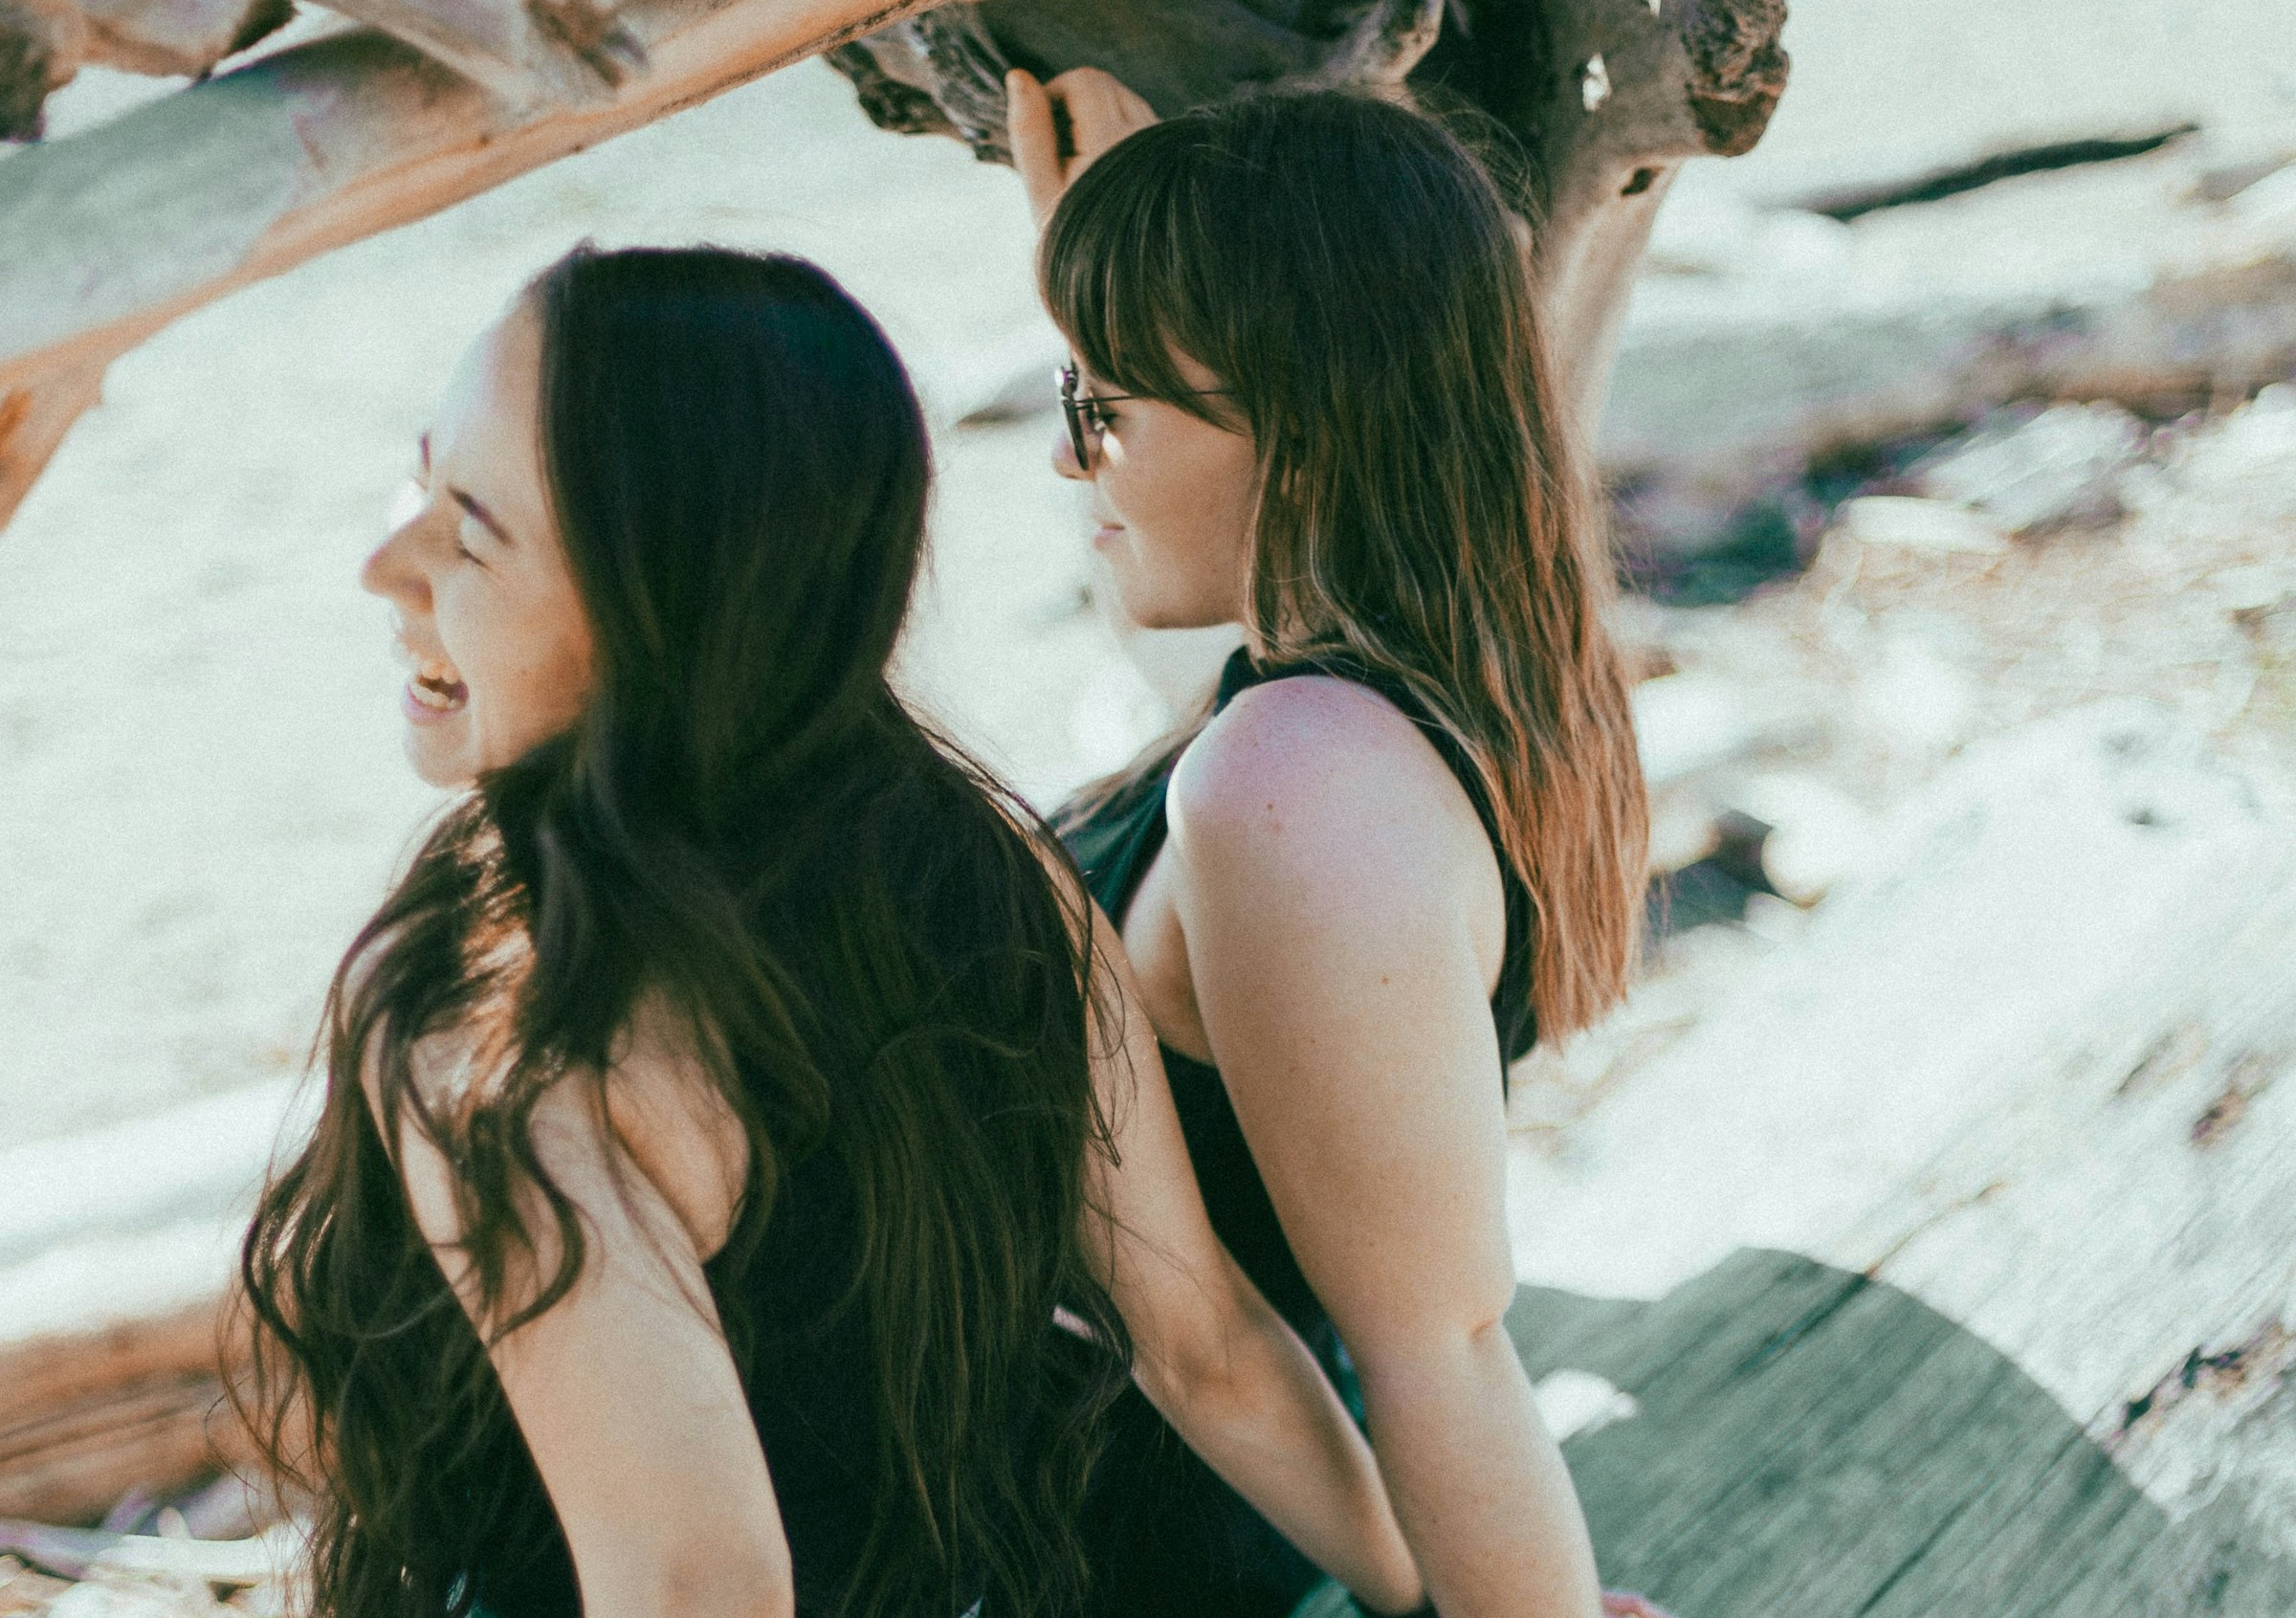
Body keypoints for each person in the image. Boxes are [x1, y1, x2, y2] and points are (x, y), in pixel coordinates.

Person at [234, 244, 1425, 1618]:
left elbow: (698, 1586)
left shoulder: (495, 1019)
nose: (385, 563)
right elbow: (1204, 1343)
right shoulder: (982, 876)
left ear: (674, 608)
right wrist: (1442, 1592)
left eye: (475, 526)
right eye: (424, 471)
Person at [1004, 73, 1653, 1618]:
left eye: (1101, 409)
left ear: (1294, 424)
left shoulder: (1299, 782)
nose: (1065, 458)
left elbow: (1443, 1344)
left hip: (1107, 1551)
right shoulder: (1447, 689)